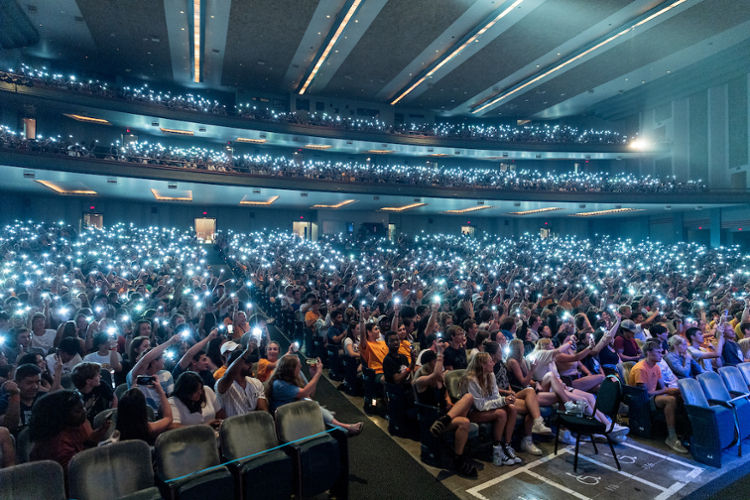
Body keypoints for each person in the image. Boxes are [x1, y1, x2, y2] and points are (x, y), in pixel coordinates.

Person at [413, 347, 477, 478]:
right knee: (464, 422)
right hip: (432, 419)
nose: (439, 364)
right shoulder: (420, 380)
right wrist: (441, 354)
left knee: (469, 397)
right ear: (429, 363)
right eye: (435, 361)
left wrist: (448, 401)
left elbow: (445, 393)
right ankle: (458, 460)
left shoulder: (439, 379)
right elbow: (436, 375)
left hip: (444, 416)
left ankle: (446, 420)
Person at [264, 354, 363, 436]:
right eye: (298, 365)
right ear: (290, 369)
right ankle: (345, 427)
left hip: (294, 407)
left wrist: (312, 376)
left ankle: (332, 422)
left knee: (310, 403)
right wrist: (318, 373)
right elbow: (305, 392)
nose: (301, 366)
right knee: (312, 405)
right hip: (284, 414)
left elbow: (311, 393)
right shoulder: (279, 384)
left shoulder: (294, 377)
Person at [28, 390, 111, 485]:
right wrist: (91, 443)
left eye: (83, 407)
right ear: (61, 416)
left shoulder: (77, 425)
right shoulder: (58, 442)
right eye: (78, 411)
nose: (84, 412)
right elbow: (74, 475)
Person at [484, 341, 551, 455]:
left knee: (530, 393)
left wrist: (510, 390)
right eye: (500, 351)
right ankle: (527, 439)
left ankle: (537, 423)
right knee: (532, 407)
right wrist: (507, 392)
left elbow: (505, 381)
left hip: (508, 393)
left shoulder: (500, 363)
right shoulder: (489, 367)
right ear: (493, 354)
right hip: (499, 397)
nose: (502, 353)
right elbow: (490, 389)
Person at [459, 352, 520, 466]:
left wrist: (505, 401)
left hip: (486, 408)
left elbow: (495, 397)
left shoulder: (490, 375)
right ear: (483, 365)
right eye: (490, 361)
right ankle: (497, 449)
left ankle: (507, 445)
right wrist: (502, 401)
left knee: (512, 409)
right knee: (501, 413)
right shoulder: (471, 380)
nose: (493, 363)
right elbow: (479, 406)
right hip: (472, 412)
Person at [628, 339, 687, 453]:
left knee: (680, 394)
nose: (662, 354)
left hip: (653, 396)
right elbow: (644, 393)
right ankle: (671, 437)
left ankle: (684, 430)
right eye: (659, 352)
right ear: (649, 353)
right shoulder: (641, 368)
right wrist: (666, 391)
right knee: (670, 400)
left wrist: (672, 390)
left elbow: (662, 387)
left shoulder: (655, 366)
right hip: (643, 400)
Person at [127, 335, 180, 413]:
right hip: (141, 414)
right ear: (154, 361)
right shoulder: (137, 375)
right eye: (162, 357)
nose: (164, 360)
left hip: (162, 414)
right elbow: (145, 360)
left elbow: (171, 399)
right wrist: (169, 342)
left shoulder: (166, 375)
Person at [215, 344, 269, 416]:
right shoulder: (222, 384)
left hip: (254, 423)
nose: (251, 364)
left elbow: (263, 411)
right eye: (247, 362)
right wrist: (246, 353)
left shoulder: (256, 383)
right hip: (234, 425)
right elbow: (228, 376)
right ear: (237, 366)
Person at [0, 363, 43, 433]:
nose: (35, 386)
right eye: (29, 383)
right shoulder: (4, 401)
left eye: (38, 382)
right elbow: (9, 426)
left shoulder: (43, 398)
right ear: (16, 383)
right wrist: (15, 395)